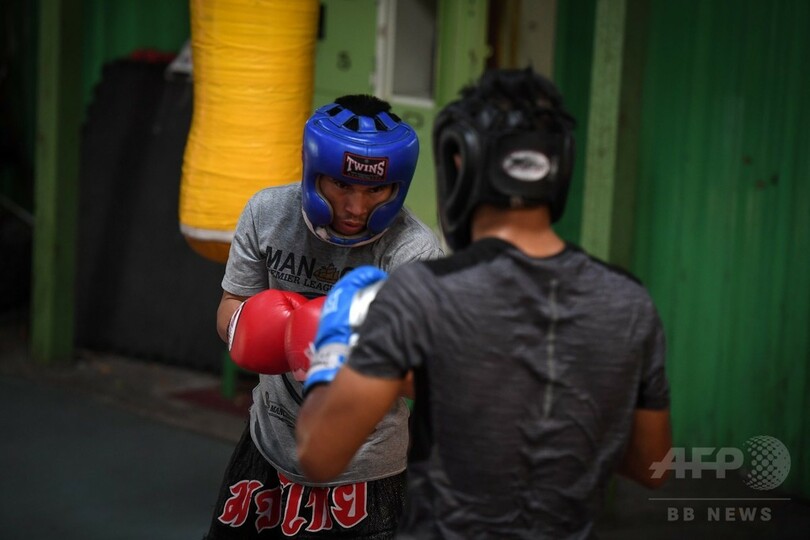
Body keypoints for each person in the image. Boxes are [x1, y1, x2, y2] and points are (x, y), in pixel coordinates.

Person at [296, 68, 672, 539]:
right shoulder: (629, 302)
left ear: (459, 163)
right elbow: (653, 466)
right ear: (560, 169)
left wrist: (334, 341)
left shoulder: (422, 295)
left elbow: (319, 454)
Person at [205, 94, 444, 539]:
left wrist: (342, 346)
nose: (356, 208)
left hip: (366, 466)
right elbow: (229, 307)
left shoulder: (413, 251)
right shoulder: (267, 214)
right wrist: (261, 331)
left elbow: (426, 374)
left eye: (376, 190)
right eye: (342, 185)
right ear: (313, 171)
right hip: (268, 444)